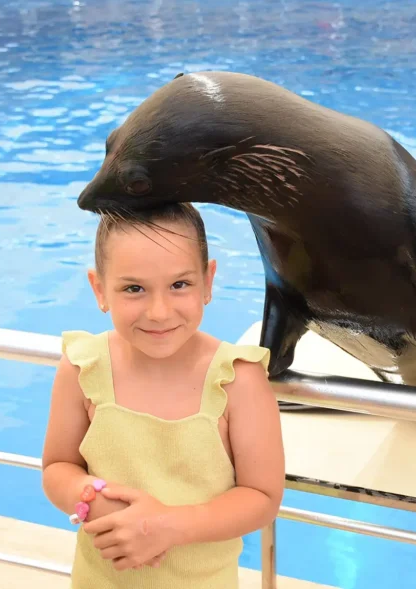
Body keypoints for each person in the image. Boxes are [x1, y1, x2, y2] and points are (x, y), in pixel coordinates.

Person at [40, 203, 286, 588]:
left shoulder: (237, 380)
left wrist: (166, 526)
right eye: (134, 289)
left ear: (208, 281)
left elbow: (262, 496)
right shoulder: (83, 368)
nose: (159, 312)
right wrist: (90, 497)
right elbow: (57, 466)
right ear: (100, 289)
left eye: (179, 285)